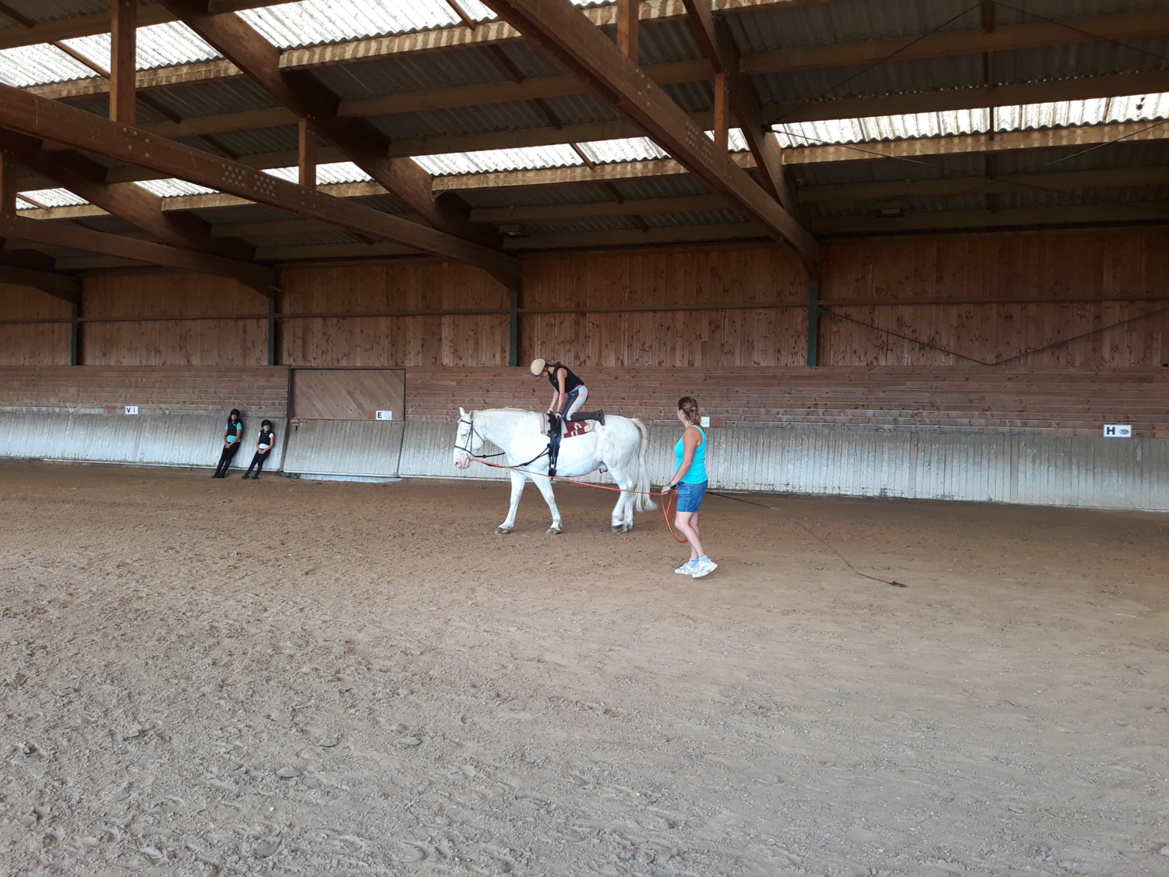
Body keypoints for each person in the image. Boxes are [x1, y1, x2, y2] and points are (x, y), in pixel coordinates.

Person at [662, 396, 716, 578]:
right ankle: (694, 562)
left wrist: (671, 483)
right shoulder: (694, 430)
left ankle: (703, 560)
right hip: (694, 482)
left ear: (680, 412)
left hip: (691, 483)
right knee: (692, 523)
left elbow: (686, 463)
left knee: (681, 523)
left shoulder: (691, 432)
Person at [530, 358, 604, 424]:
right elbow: (556, 392)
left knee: (568, 417)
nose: (543, 377)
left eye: (542, 375)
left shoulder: (560, 372)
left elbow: (562, 394)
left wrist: (558, 411)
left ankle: (596, 415)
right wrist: (551, 408)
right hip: (572, 394)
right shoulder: (551, 377)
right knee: (563, 417)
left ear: (545, 368)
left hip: (579, 392)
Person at [212, 409, 243, 478]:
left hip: (235, 443)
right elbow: (225, 435)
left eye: (235, 416)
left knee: (228, 457)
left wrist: (231, 444)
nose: (234, 417)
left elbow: (238, 435)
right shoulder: (228, 424)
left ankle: (222, 473)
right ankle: (216, 473)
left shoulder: (238, 424)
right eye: (233, 415)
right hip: (228, 442)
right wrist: (226, 443)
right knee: (222, 457)